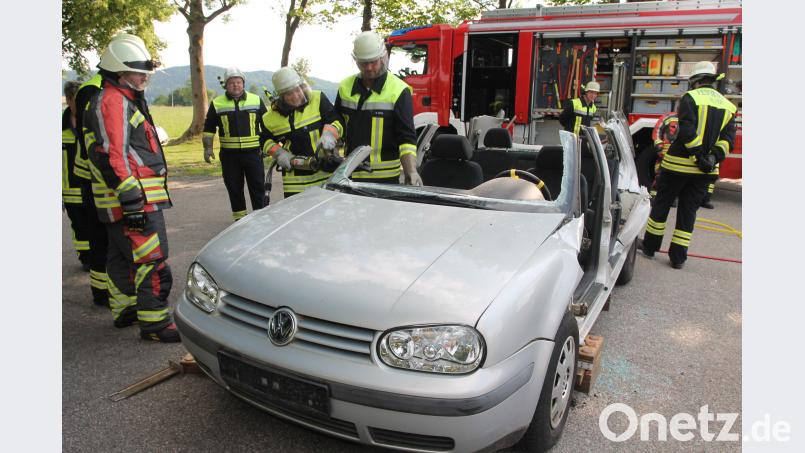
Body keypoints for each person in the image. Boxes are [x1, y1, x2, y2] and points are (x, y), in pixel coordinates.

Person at [84, 33, 179, 342]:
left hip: (123, 202)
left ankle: (126, 309)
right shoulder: (113, 101)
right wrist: (132, 200)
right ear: (119, 72)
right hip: (138, 201)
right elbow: (115, 153)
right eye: (139, 73)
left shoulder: (118, 99)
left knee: (120, 257)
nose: (143, 79)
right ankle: (154, 324)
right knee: (152, 260)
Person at [640, 61, 736, 269]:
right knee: (688, 212)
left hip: (677, 167)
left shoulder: (690, 98)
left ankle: (650, 247)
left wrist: (698, 155)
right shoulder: (729, 106)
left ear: (695, 81)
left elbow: (686, 131)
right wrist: (711, 158)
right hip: (704, 173)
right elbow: (728, 141)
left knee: (662, 206)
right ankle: (678, 258)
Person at [324, 31, 421, 185]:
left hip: (386, 179)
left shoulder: (399, 90)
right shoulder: (345, 87)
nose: (369, 68)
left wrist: (411, 171)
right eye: (363, 63)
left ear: (383, 57)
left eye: (373, 62)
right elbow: (339, 122)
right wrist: (330, 137)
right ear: (355, 61)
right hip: (350, 175)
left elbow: (406, 138)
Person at [261, 67, 339, 198]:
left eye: (298, 90)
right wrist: (279, 154)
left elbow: (336, 121)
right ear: (280, 96)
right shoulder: (269, 118)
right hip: (295, 182)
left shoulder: (317, 98)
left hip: (325, 174)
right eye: (289, 94)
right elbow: (263, 141)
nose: (296, 96)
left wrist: (330, 134)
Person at [203, 67, 268, 221]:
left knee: (258, 187)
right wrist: (207, 148)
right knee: (234, 188)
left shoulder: (256, 100)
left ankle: (262, 218)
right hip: (229, 156)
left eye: (238, 82)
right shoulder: (217, 103)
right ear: (226, 85)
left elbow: (267, 125)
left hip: (254, 154)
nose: (236, 85)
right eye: (232, 83)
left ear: (243, 83)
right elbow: (208, 128)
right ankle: (240, 221)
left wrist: (266, 146)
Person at [73, 71, 109, 307]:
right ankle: (102, 292)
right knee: (101, 237)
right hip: (95, 177)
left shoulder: (99, 87)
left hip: (99, 175)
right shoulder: (92, 91)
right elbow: (96, 140)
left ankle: (105, 290)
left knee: (106, 237)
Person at [62, 80, 91, 270]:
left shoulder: (90, 121)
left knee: (94, 225)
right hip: (70, 189)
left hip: (90, 187)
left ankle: (96, 256)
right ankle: (86, 258)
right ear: (70, 100)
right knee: (79, 227)